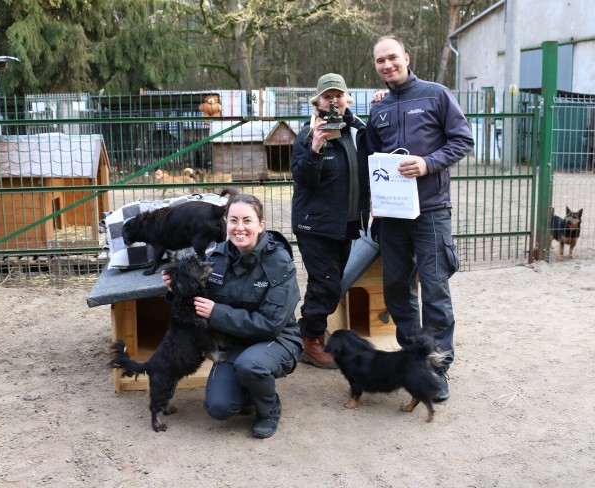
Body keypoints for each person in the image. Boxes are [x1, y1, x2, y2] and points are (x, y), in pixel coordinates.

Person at [365, 35, 474, 402]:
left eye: (392, 58)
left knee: (435, 291)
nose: (387, 65)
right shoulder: (377, 109)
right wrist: (374, 203)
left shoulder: (436, 95)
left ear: (406, 58)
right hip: (392, 217)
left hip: (430, 212)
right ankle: (414, 357)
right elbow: (372, 160)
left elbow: (462, 140)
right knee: (396, 289)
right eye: (380, 61)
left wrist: (428, 163)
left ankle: (437, 368)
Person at [161, 193, 302, 438]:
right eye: (233, 220)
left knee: (251, 366)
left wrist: (217, 313)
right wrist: (177, 290)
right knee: (219, 407)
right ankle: (247, 392)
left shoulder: (279, 262)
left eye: (247, 221)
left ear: (261, 225)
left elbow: (270, 324)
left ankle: (269, 409)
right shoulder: (217, 256)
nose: (239, 228)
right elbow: (198, 300)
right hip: (234, 341)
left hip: (276, 339)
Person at [291, 73, 369, 368]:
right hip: (316, 225)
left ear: (347, 99)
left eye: (339, 95)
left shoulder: (356, 131)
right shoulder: (308, 134)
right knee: (326, 284)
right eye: (327, 96)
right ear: (318, 102)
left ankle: (307, 331)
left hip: (346, 223)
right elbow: (302, 179)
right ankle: (310, 341)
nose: (333, 101)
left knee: (329, 282)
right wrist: (315, 148)